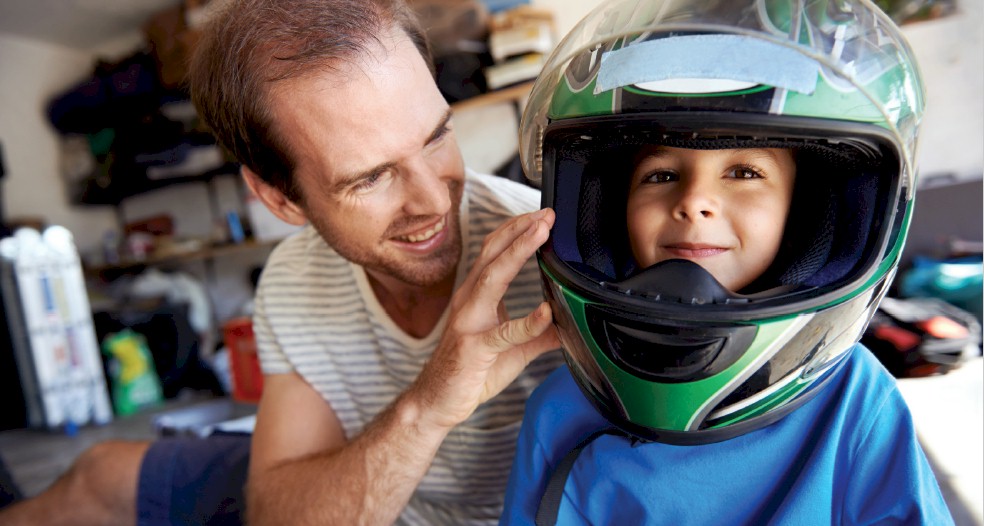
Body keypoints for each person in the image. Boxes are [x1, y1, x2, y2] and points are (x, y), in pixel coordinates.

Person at [0, 0, 564, 524]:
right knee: (97, 474)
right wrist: (431, 404)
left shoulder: (557, 258)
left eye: (436, 136)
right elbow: (276, 513)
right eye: (371, 177)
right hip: (356, 478)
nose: (435, 200)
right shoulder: (295, 278)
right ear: (280, 199)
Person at [499, 0, 955, 524]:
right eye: (661, 175)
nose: (694, 201)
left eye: (743, 173)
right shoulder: (558, 412)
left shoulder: (855, 404)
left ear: (806, 214)